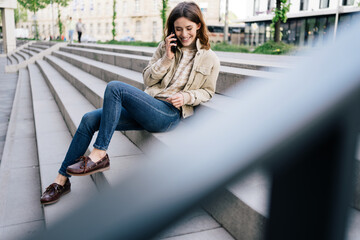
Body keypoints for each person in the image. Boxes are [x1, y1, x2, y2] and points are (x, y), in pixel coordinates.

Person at [40, 1, 220, 205]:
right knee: (89, 119)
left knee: (115, 87)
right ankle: (61, 181)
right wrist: (167, 59)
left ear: (198, 25)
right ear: (172, 29)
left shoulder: (209, 58)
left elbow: (208, 91)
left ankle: (99, 154)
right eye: (178, 29)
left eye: (188, 28)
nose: (184, 34)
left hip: (168, 114)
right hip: (149, 104)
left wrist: (187, 97)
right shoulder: (165, 48)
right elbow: (148, 80)